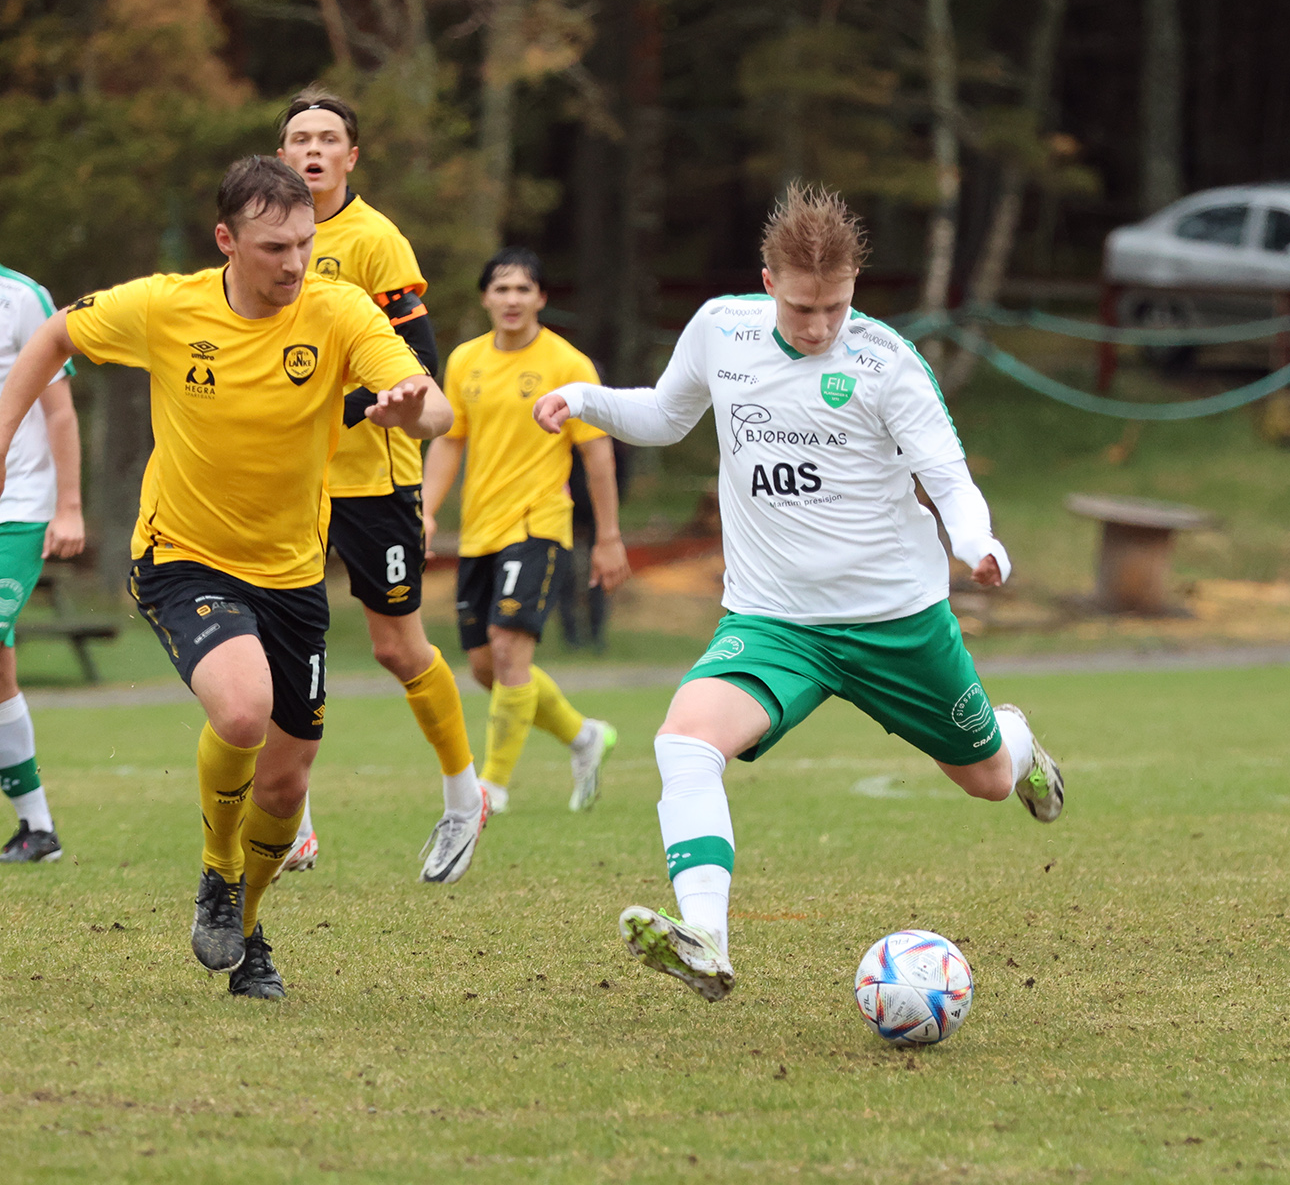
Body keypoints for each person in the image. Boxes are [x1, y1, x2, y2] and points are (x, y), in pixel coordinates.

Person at [534, 183, 1066, 1002]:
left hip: (895, 623)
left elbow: (950, 479)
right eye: (802, 309)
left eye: (837, 308)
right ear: (768, 280)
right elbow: (665, 415)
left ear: (855, 285)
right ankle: (705, 939)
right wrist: (582, 402)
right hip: (776, 621)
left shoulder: (887, 361)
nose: (819, 327)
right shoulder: (721, 328)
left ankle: (1016, 740)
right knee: (683, 741)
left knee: (987, 781)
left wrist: (976, 543)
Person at [0, 156, 451, 998]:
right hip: (182, 556)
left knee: (286, 784)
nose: (294, 263)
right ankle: (217, 871)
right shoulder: (169, 307)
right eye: (275, 246)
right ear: (227, 241)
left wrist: (412, 407)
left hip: (291, 576)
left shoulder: (338, 308)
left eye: (306, 244)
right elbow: (55, 333)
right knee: (242, 710)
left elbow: (434, 405)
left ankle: (245, 932)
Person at [274, 87, 480, 882]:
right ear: (283, 154)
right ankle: (294, 821)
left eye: (328, 138)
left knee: (397, 647)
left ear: (351, 157)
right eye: (300, 138)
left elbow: (420, 369)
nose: (314, 149)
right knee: (273, 642)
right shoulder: (263, 238)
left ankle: (464, 799)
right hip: (291, 482)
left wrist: (344, 405)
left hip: (372, 480)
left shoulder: (376, 241)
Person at [422, 247, 629, 821]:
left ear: (540, 297)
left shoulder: (568, 364)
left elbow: (598, 454)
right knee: (488, 668)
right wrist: (428, 511)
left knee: (511, 649)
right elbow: (450, 441)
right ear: (485, 297)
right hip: (479, 532)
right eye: (501, 289)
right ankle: (583, 736)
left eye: (523, 289)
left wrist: (608, 536)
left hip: (540, 523)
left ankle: (492, 787)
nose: (512, 299)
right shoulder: (465, 360)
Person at [0, 266, 85, 863]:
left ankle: (38, 827)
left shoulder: (21, 298)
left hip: (18, 508)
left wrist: (70, 507)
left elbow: (58, 412)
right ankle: (37, 828)